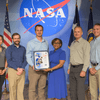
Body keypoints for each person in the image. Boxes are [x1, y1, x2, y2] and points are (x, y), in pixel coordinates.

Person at [26, 24, 49, 100]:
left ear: (42, 31)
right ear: (35, 31)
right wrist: (33, 65)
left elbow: (46, 55)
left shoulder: (46, 42)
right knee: (32, 89)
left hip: (43, 70)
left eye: (40, 30)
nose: (39, 32)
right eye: (37, 30)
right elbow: (28, 55)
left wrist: (47, 66)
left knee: (42, 88)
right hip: (33, 69)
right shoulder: (31, 43)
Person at [67, 26, 90, 100]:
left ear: (82, 33)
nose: (76, 33)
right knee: (72, 90)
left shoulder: (85, 43)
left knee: (80, 91)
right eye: (75, 32)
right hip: (72, 69)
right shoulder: (72, 43)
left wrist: (84, 70)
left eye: (78, 32)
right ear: (74, 33)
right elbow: (71, 57)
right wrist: (69, 68)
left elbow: (87, 58)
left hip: (80, 68)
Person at [6, 33, 27, 100]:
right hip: (12, 71)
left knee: (20, 91)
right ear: (12, 39)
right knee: (12, 90)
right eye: (15, 38)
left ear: (20, 39)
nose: (16, 40)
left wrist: (22, 68)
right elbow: (9, 61)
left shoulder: (23, 48)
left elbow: (25, 59)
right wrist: (17, 68)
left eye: (18, 38)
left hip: (22, 71)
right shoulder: (9, 48)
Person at [89, 23, 100, 100]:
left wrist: (96, 68)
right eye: (94, 29)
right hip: (91, 68)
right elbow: (88, 56)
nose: (95, 30)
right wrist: (90, 67)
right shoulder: (91, 42)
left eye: (97, 29)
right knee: (92, 91)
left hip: (99, 68)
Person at [0, 35, 7, 100]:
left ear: (2, 41)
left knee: (0, 87)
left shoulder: (4, 49)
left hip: (3, 70)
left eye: (0, 40)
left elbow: (6, 60)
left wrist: (5, 69)